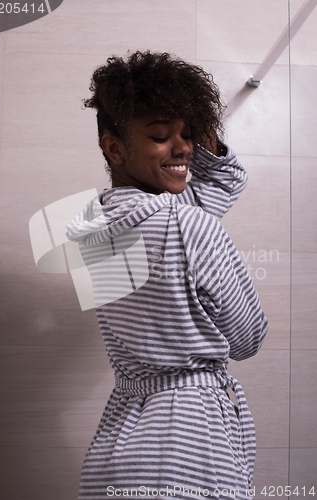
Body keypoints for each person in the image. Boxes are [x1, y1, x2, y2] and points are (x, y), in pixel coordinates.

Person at [66, 51, 268, 500]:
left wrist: (191, 134)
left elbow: (216, 187)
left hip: (123, 437)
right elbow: (248, 340)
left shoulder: (92, 230)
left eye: (189, 134)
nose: (184, 149)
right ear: (114, 147)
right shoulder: (189, 227)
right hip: (189, 443)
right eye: (161, 135)